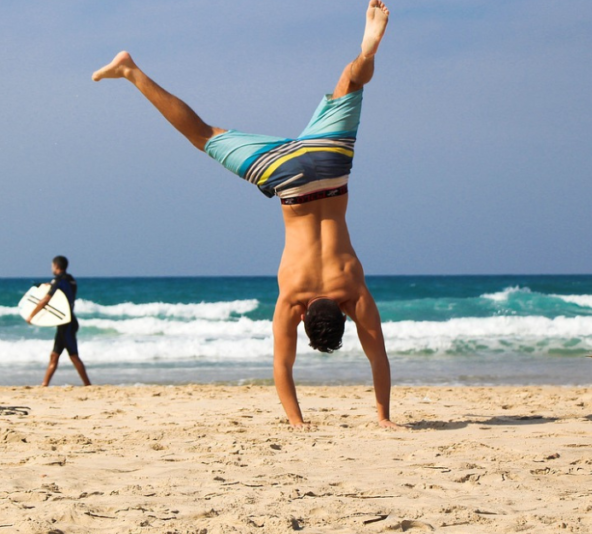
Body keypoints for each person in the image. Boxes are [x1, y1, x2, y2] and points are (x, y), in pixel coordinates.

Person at [92, 1, 399, 428]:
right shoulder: (294, 298)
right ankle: (130, 71)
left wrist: (385, 416)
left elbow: (379, 357)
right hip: (287, 181)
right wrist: (297, 421)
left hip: (329, 166)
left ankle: (366, 53)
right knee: (202, 134)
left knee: (350, 82)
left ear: (343, 315)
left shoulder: (353, 291)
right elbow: (283, 367)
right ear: (305, 319)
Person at [25, 256, 91, 387]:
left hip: (66, 324)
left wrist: (31, 315)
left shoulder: (58, 281)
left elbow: (46, 300)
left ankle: (88, 385)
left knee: (73, 355)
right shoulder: (71, 280)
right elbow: (64, 292)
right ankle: (45, 384)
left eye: (52, 266)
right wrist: (48, 285)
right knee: (54, 355)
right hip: (68, 322)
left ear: (56, 266)